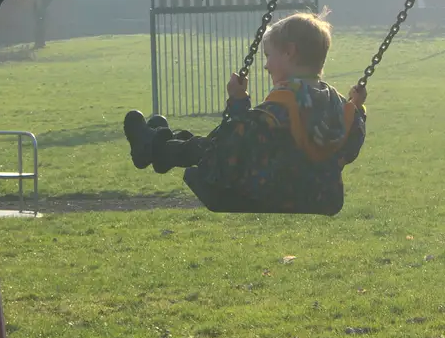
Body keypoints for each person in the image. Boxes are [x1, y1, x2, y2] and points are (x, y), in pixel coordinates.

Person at [122, 11, 367, 215]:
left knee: (212, 147)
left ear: (289, 52)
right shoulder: (337, 104)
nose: (266, 65)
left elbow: (235, 142)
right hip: (322, 195)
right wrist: (357, 108)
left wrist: (238, 102)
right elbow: (350, 148)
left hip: (269, 189)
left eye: (269, 56)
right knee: (210, 144)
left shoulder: (285, 102)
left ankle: (154, 147)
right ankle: (159, 142)